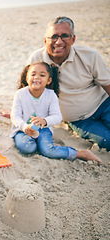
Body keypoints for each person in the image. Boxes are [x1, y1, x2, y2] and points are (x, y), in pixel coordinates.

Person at [27, 16, 110, 151]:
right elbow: (27, 90)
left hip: (104, 105)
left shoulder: (90, 56)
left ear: (73, 39)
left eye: (64, 36)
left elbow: (108, 84)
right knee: (107, 140)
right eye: (53, 36)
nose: (58, 42)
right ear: (45, 41)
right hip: (79, 120)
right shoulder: (36, 60)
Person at [10, 62, 102, 164]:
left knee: (47, 150)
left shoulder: (51, 95)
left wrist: (44, 121)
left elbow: (57, 116)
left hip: (43, 129)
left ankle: (81, 153)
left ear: (49, 80)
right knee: (27, 148)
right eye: (33, 74)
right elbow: (15, 116)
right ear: (27, 78)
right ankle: (39, 144)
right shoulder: (20, 94)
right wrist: (24, 127)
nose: (36, 77)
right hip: (22, 130)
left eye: (42, 75)